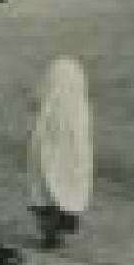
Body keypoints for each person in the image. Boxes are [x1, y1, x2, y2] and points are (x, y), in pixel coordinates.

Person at [26, 56, 92, 249]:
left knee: (47, 188)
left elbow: (35, 103)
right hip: (67, 157)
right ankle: (55, 229)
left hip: (49, 153)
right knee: (63, 189)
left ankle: (51, 231)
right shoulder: (79, 111)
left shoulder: (49, 109)